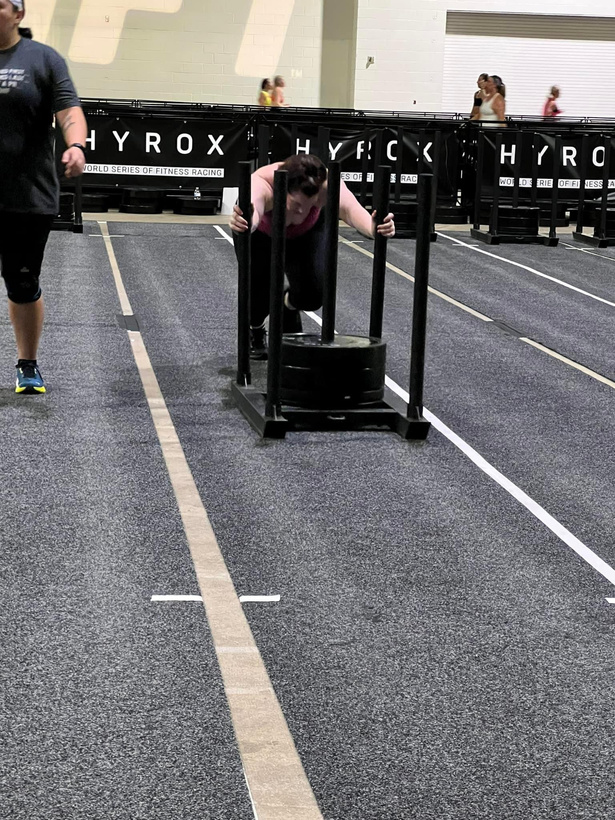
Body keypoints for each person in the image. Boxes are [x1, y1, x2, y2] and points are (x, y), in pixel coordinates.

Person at [0, 0, 87, 394]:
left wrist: (77, 145)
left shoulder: (43, 59)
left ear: (18, 13)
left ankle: (27, 364)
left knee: (21, 283)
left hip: (26, 197)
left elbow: (69, 111)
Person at [230, 154, 395, 359]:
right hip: (261, 234)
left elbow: (351, 210)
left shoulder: (326, 186)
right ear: (284, 190)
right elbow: (253, 213)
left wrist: (375, 228)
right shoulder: (263, 184)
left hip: (305, 233)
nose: (301, 211)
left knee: (313, 295)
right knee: (258, 297)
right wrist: (245, 222)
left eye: (308, 204)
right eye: (295, 204)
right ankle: (255, 329)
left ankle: (287, 306)